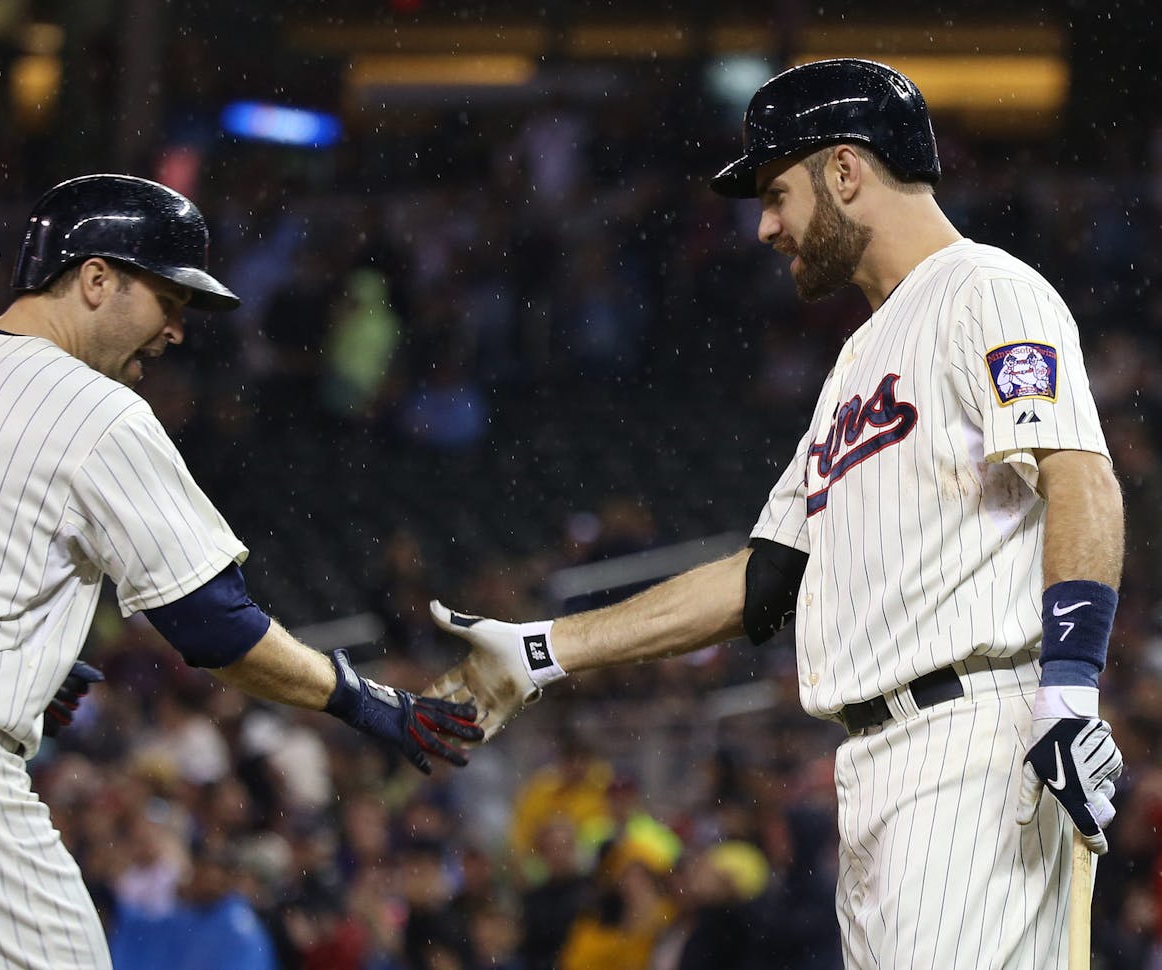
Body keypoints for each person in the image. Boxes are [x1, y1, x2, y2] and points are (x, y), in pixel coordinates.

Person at [425, 58, 1125, 970]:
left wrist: (1070, 695)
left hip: (978, 740)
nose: (764, 225)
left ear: (845, 170)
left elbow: (1080, 477)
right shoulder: (855, 364)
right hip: (880, 767)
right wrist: (548, 649)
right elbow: (764, 577)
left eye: (776, 192)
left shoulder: (984, 289)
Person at [0, 173, 482, 969]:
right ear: (95, 279)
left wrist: (17, 661)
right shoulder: (92, 408)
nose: (177, 331)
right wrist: (360, 698)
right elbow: (214, 627)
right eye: (169, 301)